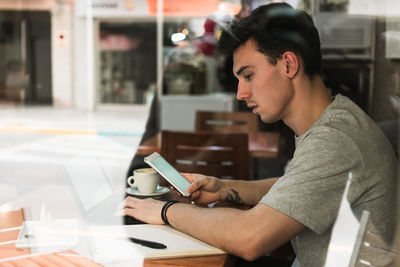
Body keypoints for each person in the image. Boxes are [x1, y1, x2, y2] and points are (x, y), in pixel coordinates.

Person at [120, 3, 397, 266]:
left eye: (248, 75)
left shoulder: (335, 140)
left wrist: (165, 211)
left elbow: (250, 238)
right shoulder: (334, 123)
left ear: (288, 64)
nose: (241, 93)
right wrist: (225, 188)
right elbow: (298, 184)